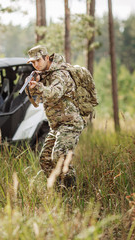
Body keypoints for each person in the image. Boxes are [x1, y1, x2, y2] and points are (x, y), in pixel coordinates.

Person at [26, 45, 87, 191]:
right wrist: (35, 87)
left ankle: (73, 192)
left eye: (38, 61)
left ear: (47, 58)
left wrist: (39, 87)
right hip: (57, 125)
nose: (35, 65)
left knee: (59, 156)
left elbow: (55, 93)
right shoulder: (45, 74)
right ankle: (60, 192)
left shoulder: (59, 74)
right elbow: (40, 101)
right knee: (45, 160)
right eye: (33, 62)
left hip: (70, 123)